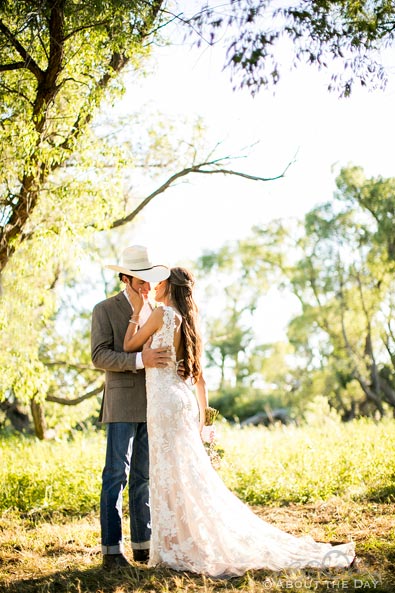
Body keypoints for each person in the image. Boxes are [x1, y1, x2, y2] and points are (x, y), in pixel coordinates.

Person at [123, 266, 356, 578]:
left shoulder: (161, 315)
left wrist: (136, 311)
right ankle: (179, 541)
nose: (155, 284)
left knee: (168, 473)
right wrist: (203, 419)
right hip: (182, 401)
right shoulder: (187, 321)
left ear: (167, 285)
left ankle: (173, 545)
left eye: (160, 280)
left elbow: (129, 346)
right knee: (184, 475)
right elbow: (199, 379)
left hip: (164, 404)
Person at [91, 245, 173, 570]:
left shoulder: (157, 310)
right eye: (139, 280)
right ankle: (112, 551)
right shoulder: (104, 309)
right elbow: (99, 356)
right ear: (125, 279)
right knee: (115, 476)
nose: (146, 286)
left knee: (143, 477)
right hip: (122, 404)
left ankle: (143, 547)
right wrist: (141, 359)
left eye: (148, 280)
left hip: (152, 405)